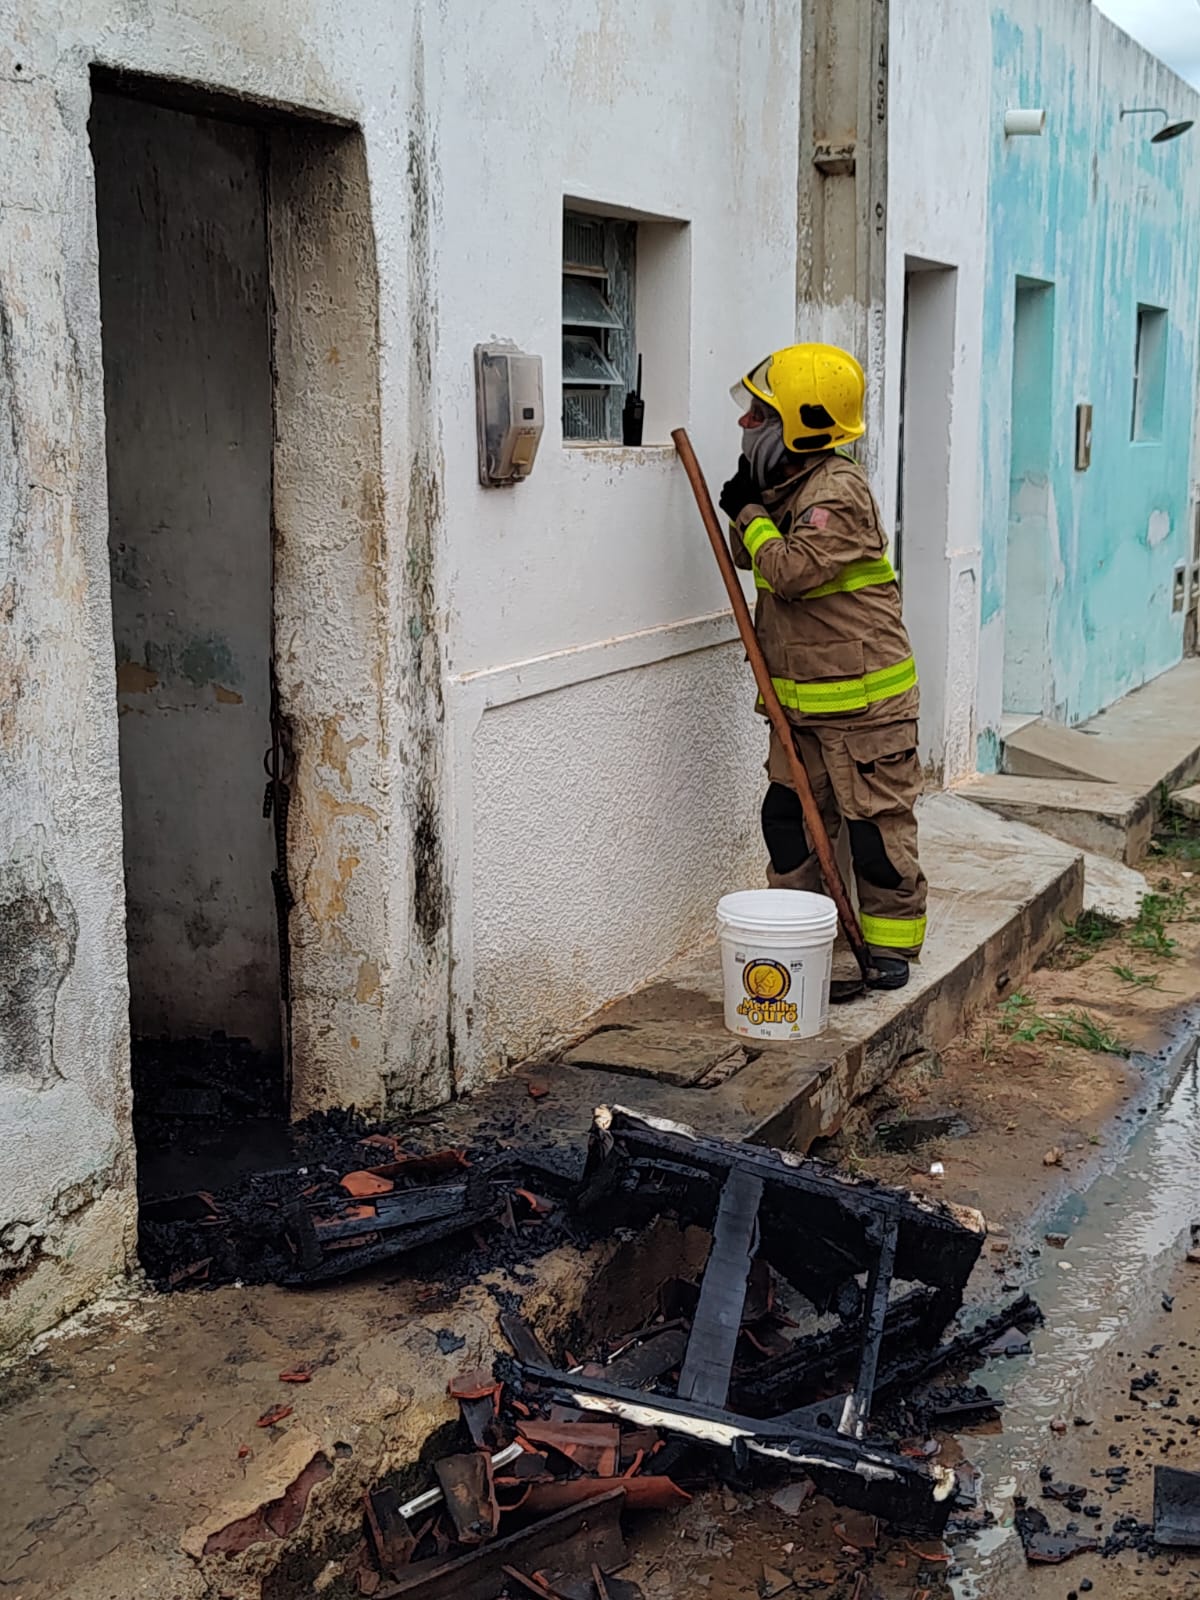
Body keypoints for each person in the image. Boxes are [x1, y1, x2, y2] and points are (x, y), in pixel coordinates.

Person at [719, 342, 926, 994]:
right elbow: (752, 557)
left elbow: (791, 570)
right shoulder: (791, 485)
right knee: (789, 826)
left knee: (874, 836)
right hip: (799, 706)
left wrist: (747, 511)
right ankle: (802, 939)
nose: (746, 422)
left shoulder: (837, 492)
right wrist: (754, 505)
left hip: (865, 710)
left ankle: (889, 950)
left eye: (760, 414)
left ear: (799, 425)